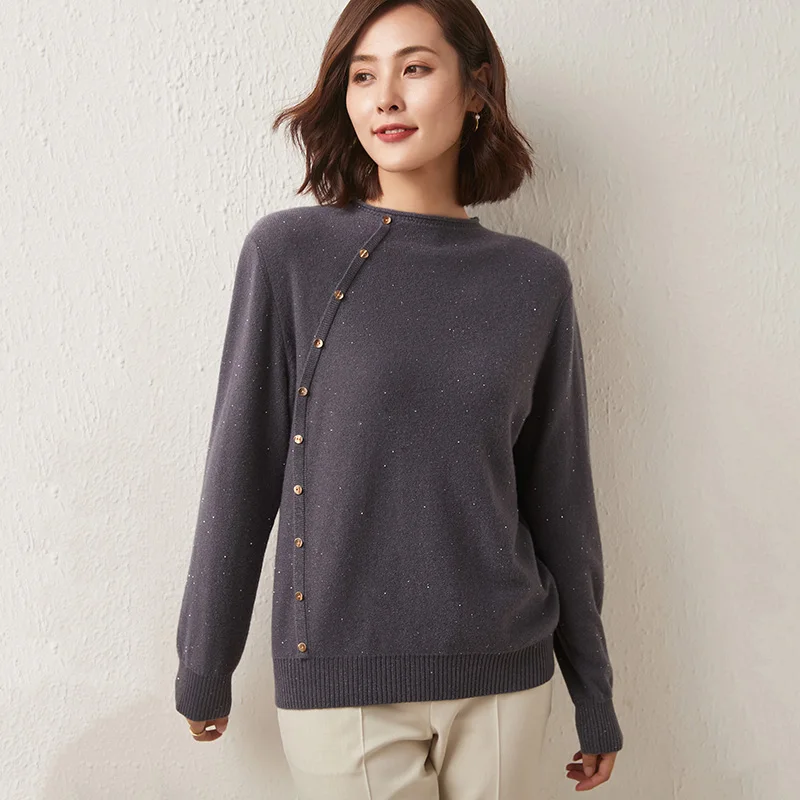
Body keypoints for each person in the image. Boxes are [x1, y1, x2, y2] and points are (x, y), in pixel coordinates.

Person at [175, 0, 624, 796]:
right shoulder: (289, 255)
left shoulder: (534, 281)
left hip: (504, 672)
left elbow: (561, 496)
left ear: (475, 88)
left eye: (415, 68)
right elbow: (241, 467)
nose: (385, 97)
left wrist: (594, 692)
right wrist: (205, 661)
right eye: (362, 76)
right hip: (341, 680)